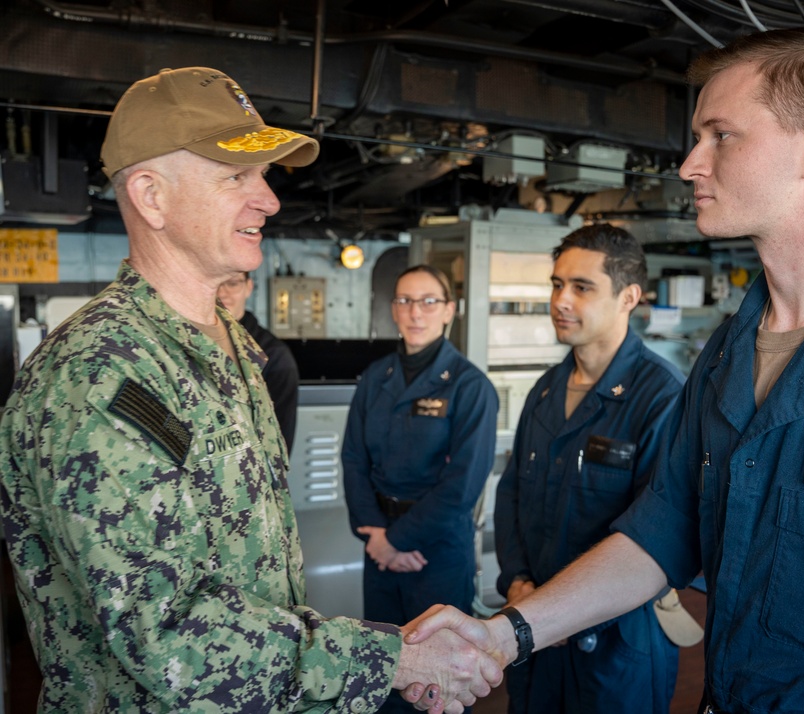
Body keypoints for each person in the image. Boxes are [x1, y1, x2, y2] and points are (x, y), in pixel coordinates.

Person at [404, 28, 804, 714]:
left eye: (722, 136)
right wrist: (506, 635)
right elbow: (662, 533)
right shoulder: (726, 352)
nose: (690, 163)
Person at [0, 66, 498, 714]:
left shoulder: (231, 349)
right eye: (236, 176)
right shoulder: (99, 375)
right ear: (152, 196)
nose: (268, 199)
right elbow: (169, 634)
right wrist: (392, 659)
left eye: (262, 177)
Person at [493, 224, 688, 714]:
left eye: (582, 288)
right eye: (557, 284)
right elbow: (511, 494)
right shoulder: (545, 390)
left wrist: (559, 614)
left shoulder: (663, 398)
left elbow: (659, 537)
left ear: (629, 297)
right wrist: (518, 583)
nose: (562, 300)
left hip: (615, 642)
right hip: (536, 632)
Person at [343, 264, 499, 713]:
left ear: (449, 310)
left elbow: (461, 487)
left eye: (429, 301)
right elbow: (353, 459)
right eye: (405, 300)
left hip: (437, 551)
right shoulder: (376, 378)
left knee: (439, 684)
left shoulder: (471, 388)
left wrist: (397, 540)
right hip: (378, 548)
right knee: (383, 669)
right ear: (393, 309)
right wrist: (373, 534)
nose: (416, 312)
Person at [218, 271, 300, 452]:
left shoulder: (273, 355)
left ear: (248, 287)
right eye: (216, 282)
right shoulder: (193, 344)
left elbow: (280, 443)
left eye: (232, 283)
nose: (222, 292)